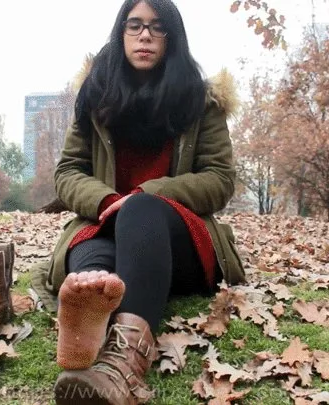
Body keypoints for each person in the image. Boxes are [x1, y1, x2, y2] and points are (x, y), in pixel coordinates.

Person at [46, 0, 246, 403]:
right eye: (134, 25)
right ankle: (89, 313)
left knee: (139, 212)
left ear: (173, 38)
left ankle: (124, 366)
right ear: (120, 33)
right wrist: (104, 199)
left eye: (158, 28)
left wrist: (145, 194)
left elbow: (220, 179)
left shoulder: (201, 101)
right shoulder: (95, 99)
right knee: (93, 263)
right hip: (105, 226)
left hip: (181, 238)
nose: (145, 35)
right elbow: (68, 171)